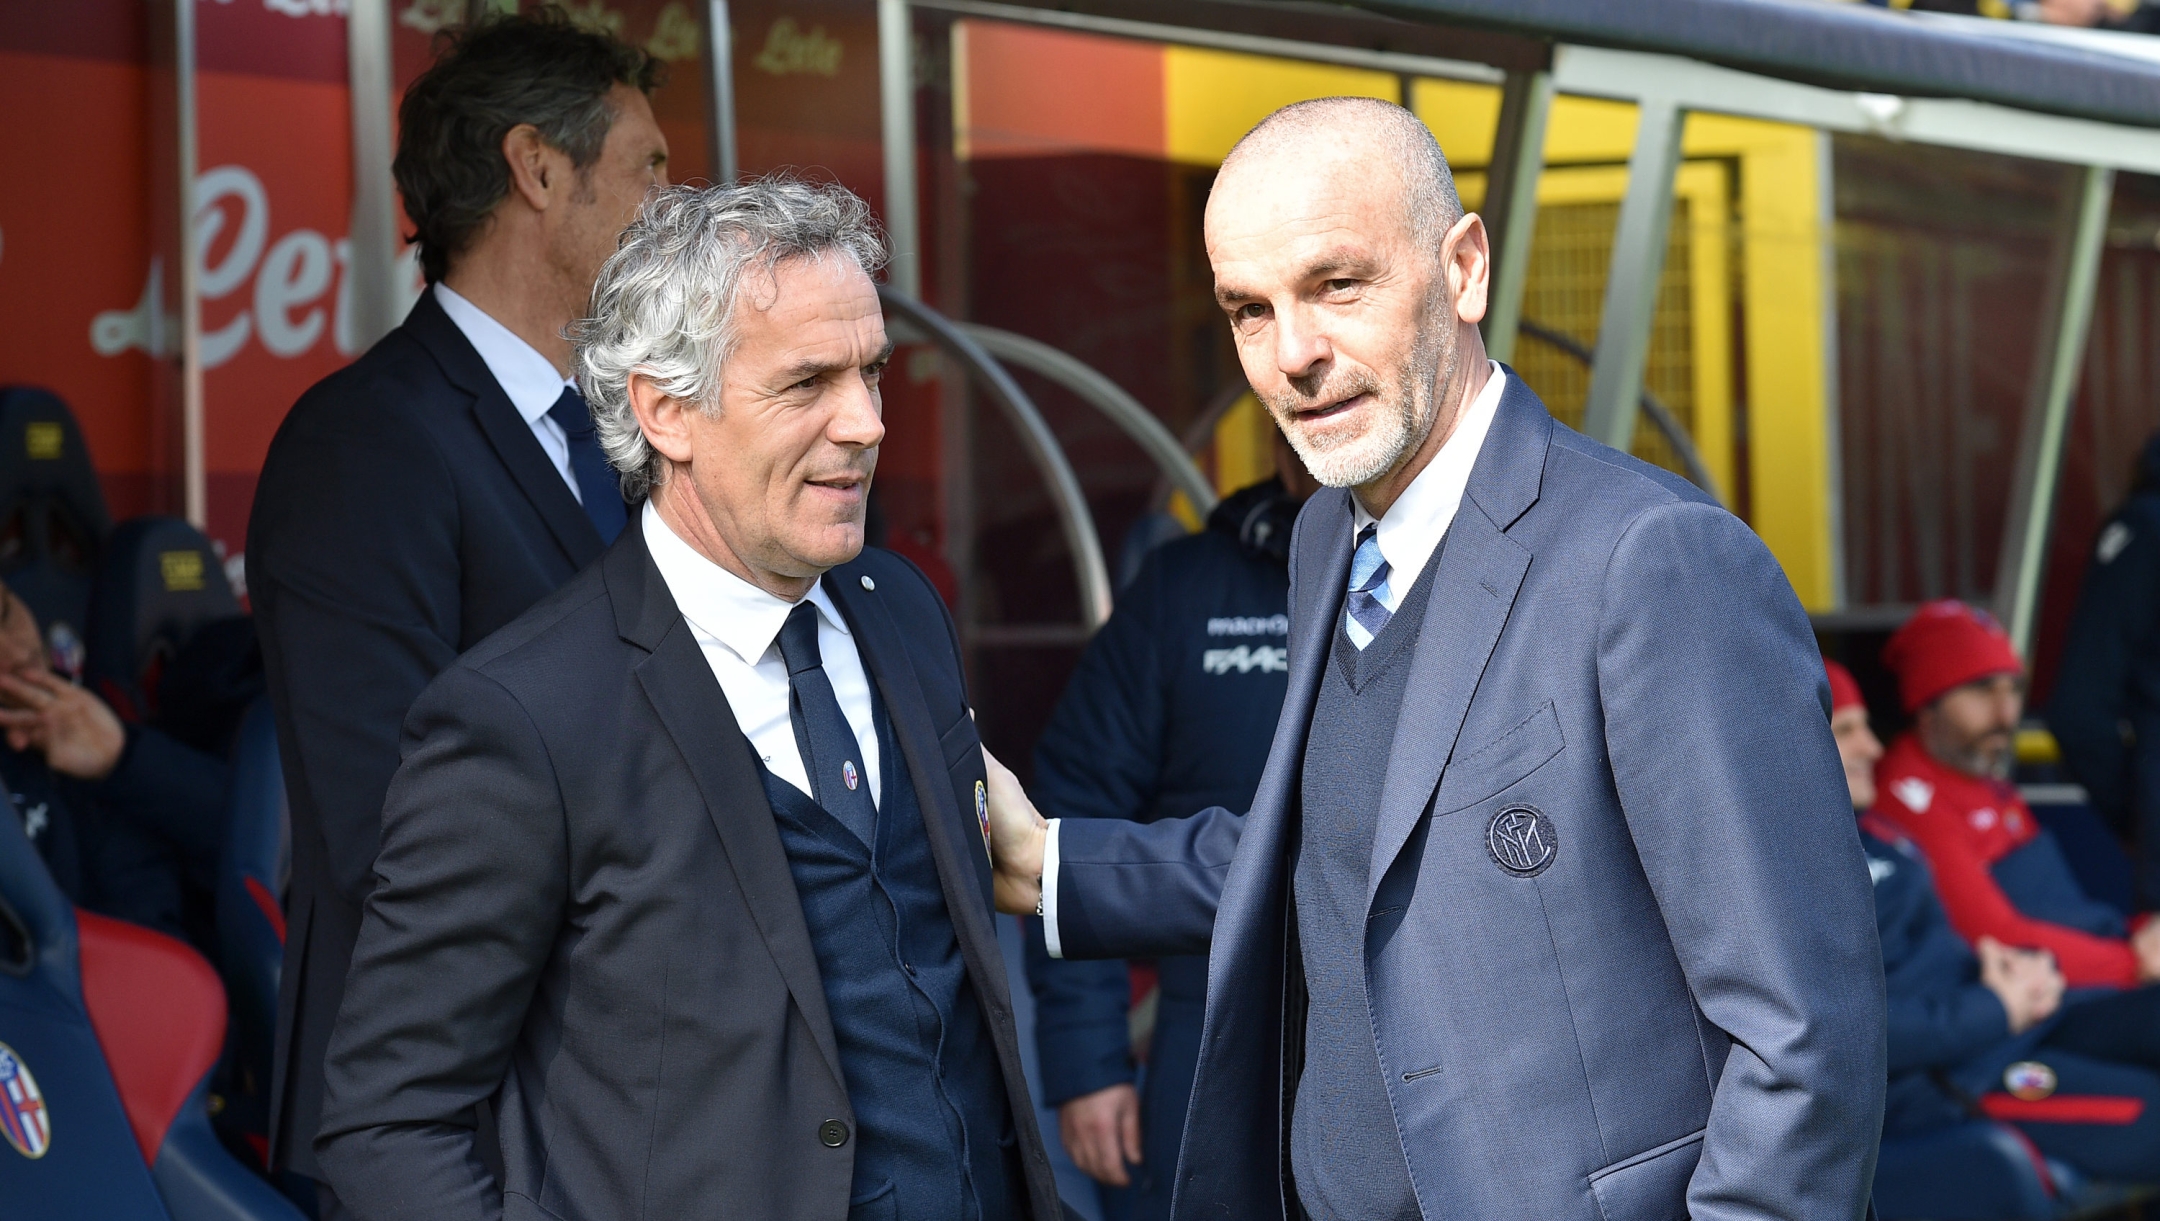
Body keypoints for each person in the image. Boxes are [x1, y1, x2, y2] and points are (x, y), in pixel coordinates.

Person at [982, 96, 1886, 1221]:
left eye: (1337, 285)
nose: (1294, 354)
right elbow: (1349, 855)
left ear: (1463, 270)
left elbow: (1806, 1035)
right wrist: (1055, 865)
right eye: (1248, 310)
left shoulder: (1654, 562)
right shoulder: (1326, 539)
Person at [314, 180, 1062, 1221]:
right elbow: (390, 1122)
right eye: (808, 383)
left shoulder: (901, 611)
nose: (868, 423)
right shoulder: (523, 716)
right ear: (666, 410)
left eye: (873, 372)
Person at [245, 10, 665, 1209]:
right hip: (447, 1119)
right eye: (649, 167)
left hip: (610, 1103)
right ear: (538, 169)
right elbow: (387, 824)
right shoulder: (361, 444)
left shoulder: (631, 431)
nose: (674, 209)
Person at [1026, 431, 1316, 1217]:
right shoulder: (1186, 591)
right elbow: (1071, 822)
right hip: (1208, 1049)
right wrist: (1088, 1063)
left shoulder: (1467, 577)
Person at [1834, 656, 2160, 1195]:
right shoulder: (1789, 876)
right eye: (1846, 731)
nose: (1871, 746)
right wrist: (1997, 1004)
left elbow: (1958, 947)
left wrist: (2005, 973)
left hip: (2004, 1035)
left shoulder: (1881, 838)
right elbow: (1849, 1031)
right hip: (1948, 1083)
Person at [1872, 600, 2160, 990]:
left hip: (2081, 975)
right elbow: (1989, 936)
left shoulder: (1986, 781)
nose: (2005, 714)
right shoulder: (1908, 796)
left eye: (2013, 690)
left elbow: (2061, 911)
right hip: (2030, 1006)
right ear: (1927, 704)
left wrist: (2139, 933)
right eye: (1981, 690)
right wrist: (2132, 963)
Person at [0, 579, 236, 946]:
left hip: (181, 980)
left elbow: (259, 852)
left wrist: (125, 758)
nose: (13, 651)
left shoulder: (86, 721)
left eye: (4, 615)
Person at [2051, 432, 2160, 905]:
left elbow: (2080, 710)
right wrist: (2138, 806)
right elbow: (2080, 712)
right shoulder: (2146, 527)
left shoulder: (2145, 524)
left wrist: (2138, 809)